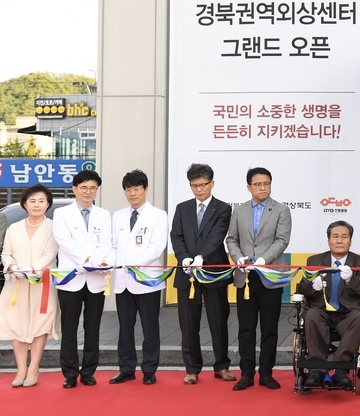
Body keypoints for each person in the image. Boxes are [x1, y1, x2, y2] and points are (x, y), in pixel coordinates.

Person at [226, 167, 292, 391]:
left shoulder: (281, 210)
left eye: (266, 183)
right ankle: (246, 373)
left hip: (269, 275)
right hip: (245, 277)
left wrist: (263, 259)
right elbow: (231, 239)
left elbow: (282, 240)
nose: (263, 187)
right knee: (245, 328)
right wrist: (238, 258)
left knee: (269, 328)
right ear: (249, 187)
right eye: (258, 184)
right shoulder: (239, 211)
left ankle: (266, 373)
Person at [170, 163, 233, 385]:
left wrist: (201, 257)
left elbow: (216, 236)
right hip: (187, 272)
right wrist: (184, 257)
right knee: (188, 324)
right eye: (194, 185)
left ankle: (222, 366)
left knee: (218, 321)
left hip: (213, 272)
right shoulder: (182, 208)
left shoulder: (223, 209)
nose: (199, 189)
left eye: (203, 185)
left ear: (212, 183)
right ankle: (192, 369)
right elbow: (176, 236)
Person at [53, 170, 112, 389]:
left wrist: (97, 262)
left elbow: (106, 242)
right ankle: (69, 373)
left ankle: (88, 371)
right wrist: (88, 260)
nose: (88, 192)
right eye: (84, 187)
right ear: (75, 189)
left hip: (95, 279)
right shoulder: (62, 213)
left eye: (93, 188)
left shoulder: (103, 214)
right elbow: (64, 241)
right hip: (72, 278)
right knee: (69, 328)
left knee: (93, 327)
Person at [298, 221, 360, 388]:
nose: (339, 240)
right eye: (335, 236)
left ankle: (341, 368)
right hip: (321, 310)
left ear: (350, 241)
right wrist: (313, 287)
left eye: (344, 237)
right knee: (311, 315)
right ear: (328, 240)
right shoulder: (315, 261)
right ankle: (317, 369)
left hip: (349, 312)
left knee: (359, 317)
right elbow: (302, 288)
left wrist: (352, 280)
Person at [109, 170, 168, 386]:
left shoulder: (158, 215)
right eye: (128, 189)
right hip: (122, 280)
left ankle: (149, 369)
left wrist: (132, 263)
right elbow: (113, 245)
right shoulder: (118, 215)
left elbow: (157, 246)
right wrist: (110, 262)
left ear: (146, 189)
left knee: (149, 327)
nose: (132, 193)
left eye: (137, 188)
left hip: (146, 279)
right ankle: (126, 368)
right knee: (125, 327)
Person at [0, 185, 59, 387]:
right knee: (17, 323)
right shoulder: (14, 228)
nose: (37, 205)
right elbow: (6, 253)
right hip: (16, 284)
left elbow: (50, 253)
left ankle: (33, 368)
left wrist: (31, 269)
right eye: (32, 201)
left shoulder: (53, 227)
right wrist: (12, 266)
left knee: (40, 324)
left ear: (48, 204)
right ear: (25, 204)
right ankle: (21, 369)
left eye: (41, 201)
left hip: (42, 284)